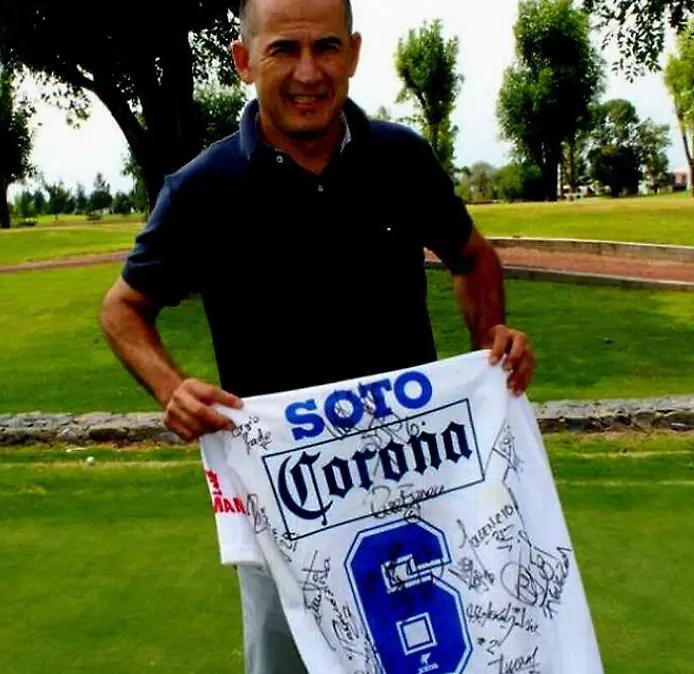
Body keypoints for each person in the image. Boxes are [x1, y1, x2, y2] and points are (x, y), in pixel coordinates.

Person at [99, 0, 535, 670]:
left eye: (326, 47)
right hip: (283, 502)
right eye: (284, 49)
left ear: (353, 53)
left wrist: (489, 344)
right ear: (245, 61)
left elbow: (473, 257)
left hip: (415, 482)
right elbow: (123, 309)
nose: (309, 72)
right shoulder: (201, 189)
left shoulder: (401, 159)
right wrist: (171, 388)